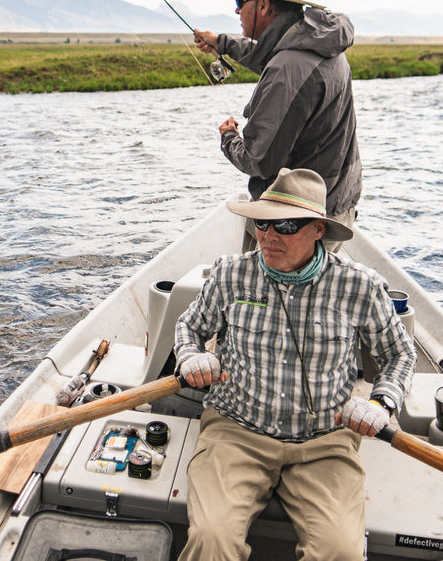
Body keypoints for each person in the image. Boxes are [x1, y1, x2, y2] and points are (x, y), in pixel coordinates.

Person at [174, 168, 416, 561]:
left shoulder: (362, 287)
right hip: (237, 430)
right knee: (210, 538)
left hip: (325, 439)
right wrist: (191, 356)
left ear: (319, 229)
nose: (268, 236)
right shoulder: (229, 274)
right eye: (261, 223)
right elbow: (189, 327)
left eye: (284, 225)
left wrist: (380, 405)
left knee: (341, 553)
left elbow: (400, 355)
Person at [194, 0, 361, 241]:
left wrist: (229, 137)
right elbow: (273, 54)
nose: (236, 9)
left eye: (241, 0)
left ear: (263, 5)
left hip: (294, 224)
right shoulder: (319, 42)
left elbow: (259, 161)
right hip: (333, 205)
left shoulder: (287, 69)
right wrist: (221, 42)